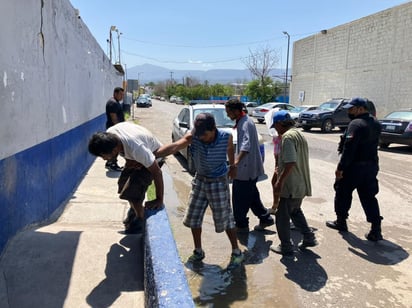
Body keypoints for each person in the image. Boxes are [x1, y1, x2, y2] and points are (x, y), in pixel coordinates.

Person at [155, 113, 244, 267]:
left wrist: (233, 166)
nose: (202, 138)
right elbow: (177, 145)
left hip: (218, 182)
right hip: (200, 180)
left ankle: (236, 251)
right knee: (193, 217)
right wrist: (153, 154)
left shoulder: (226, 136)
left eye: (205, 135)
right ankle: (198, 251)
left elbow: (230, 149)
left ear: (213, 129)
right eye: (199, 135)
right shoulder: (193, 136)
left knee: (225, 218)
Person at [88, 122, 164, 234]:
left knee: (133, 191)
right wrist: (129, 160)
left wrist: (159, 199)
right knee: (123, 185)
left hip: (154, 159)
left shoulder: (136, 149)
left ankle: (140, 220)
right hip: (135, 155)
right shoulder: (110, 135)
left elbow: (157, 172)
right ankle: (135, 209)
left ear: (114, 150)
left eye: (103, 156)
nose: (104, 159)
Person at [326, 97, 383, 241]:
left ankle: (341, 222)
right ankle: (376, 229)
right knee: (369, 197)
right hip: (371, 166)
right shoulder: (376, 123)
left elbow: (349, 150)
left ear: (361, 109)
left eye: (352, 108)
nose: (349, 111)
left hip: (354, 168)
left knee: (342, 193)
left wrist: (340, 168)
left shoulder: (356, 124)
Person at [269, 110, 318, 256]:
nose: (275, 130)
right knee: (295, 211)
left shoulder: (288, 137)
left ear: (279, 124)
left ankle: (286, 246)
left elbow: (290, 162)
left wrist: (279, 182)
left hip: (291, 185)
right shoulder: (299, 133)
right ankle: (309, 237)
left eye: (275, 126)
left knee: (282, 216)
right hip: (301, 183)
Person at [224, 98, 274, 232]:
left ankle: (241, 225)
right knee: (251, 196)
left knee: (239, 199)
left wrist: (235, 163)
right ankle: (265, 218)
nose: (227, 115)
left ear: (235, 111)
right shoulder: (244, 121)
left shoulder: (245, 123)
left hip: (245, 170)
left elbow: (246, 146)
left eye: (228, 112)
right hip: (250, 169)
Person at [105, 87, 125, 171]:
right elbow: (114, 118)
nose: (122, 96)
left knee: (115, 147)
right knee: (114, 147)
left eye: (123, 95)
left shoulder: (115, 102)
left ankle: (112, 163)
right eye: (121, 94)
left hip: (115, 128)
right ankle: (111, 163)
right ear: (115, 93)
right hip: (114, 129)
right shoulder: (113, 103)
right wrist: (120, 129)